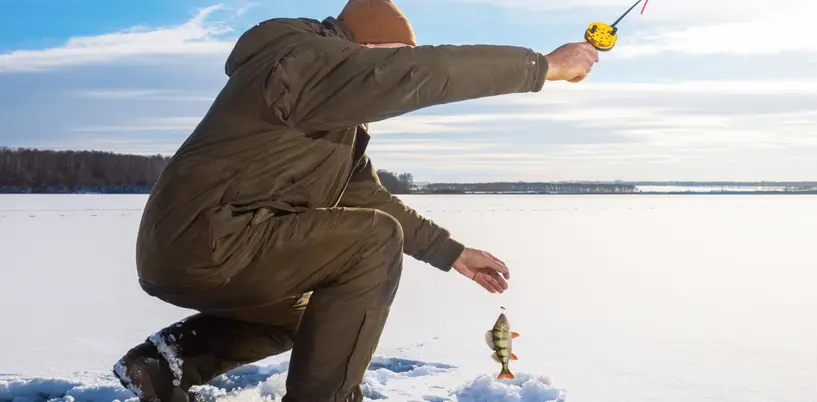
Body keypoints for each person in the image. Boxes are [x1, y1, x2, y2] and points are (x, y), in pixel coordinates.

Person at [112, 0, 600, 401]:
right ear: (364, 45)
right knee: (371, 239)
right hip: (209, 240)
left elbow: (373, 199)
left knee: (306, 317)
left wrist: (455, 254)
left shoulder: (332, 118)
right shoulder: (303, 64)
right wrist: (545, 67)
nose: (384, 71)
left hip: (194, 247)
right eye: (387, 56)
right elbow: (420, 72)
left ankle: (162, 365)